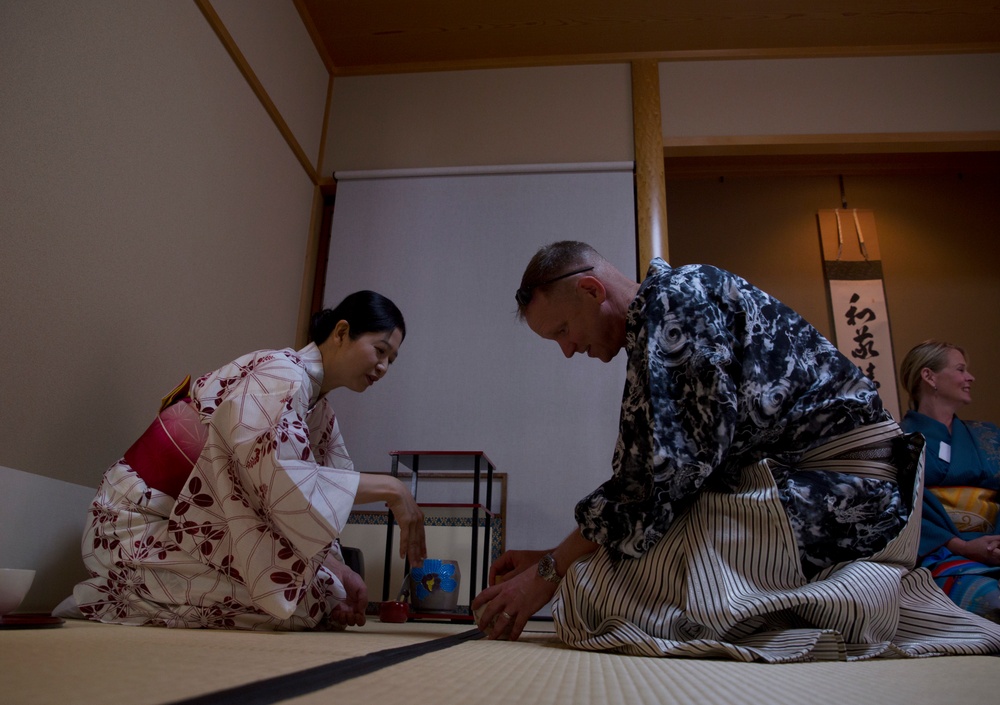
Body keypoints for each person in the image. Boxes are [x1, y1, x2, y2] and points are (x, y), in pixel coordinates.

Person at [472, 241, 1000, 662]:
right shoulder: (666, 310)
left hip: (847, 491)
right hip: (819, 487)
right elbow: (651, 481)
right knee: (608, 573)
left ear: (591, 288)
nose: (568, 350)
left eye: (564, 330)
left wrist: (549, 573)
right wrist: (550, 557)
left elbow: (664, 481)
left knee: (599, 591)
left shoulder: (676, 300)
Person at [61, 290, 426, 630]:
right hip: (142, 519)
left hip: (194, 525)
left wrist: (337, 570)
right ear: (342, 332)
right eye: (379, 351)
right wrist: (392, 488)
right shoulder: (280, 373)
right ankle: (106, 594)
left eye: (391, 360)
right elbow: (282, 480)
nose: (383, 368)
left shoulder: (321, 415)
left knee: (327, 593)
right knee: (295, 606)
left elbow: (295, 503)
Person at [900, 340, 1000, 622]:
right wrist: (963, 546)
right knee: (990, 600)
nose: (970, 378)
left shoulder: (988, 435)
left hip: (994, 547)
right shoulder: (897, 441)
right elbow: (898, 507)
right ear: (929, 376)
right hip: (937, 555)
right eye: (960, 369)